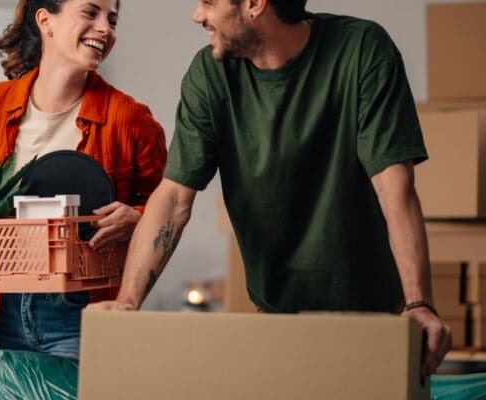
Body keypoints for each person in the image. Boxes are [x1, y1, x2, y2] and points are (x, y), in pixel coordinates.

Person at [89, 0, 451, 376]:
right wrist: (128, 302)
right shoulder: (210, 74)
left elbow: (394, 187)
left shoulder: (363, 50)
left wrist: (418, 302)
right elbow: (175, 197)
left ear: (254, 4)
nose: (198, 15)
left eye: (209, 2)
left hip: (376, 320)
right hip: (277, 316)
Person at [0, 0, 167, 359]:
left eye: (112, 19)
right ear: (46, 21)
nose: (106, 28)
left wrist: (137, 216)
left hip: (80, 314)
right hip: (1, 309)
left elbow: (167, 207)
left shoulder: (130, 120)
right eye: (91, 13)